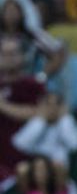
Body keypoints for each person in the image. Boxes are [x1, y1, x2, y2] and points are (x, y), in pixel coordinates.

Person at [0, 35, 45, 182]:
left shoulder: (33, 84)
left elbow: (39, 113)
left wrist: (3, 105)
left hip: (27, 159)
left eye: (13, 53)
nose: (8, 58)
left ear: (23, 56)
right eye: (4, 53)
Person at [0, 0, 67, 80]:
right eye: (8, 10)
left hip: (27, 86)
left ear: (22, 12)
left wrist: (42, 75)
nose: (11, 14)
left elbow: (58, 53)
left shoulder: (33, 36)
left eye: (15, 9)